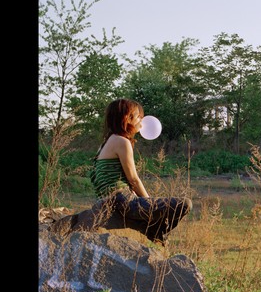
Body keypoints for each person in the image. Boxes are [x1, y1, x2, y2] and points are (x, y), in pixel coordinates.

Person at [51, 98, 191, 244]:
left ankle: (150, 228)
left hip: (108, 201)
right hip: (123, 200)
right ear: (127, 118)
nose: (142, 122)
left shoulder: (106, 142)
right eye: (138, 117)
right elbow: (134, 179)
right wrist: (148, 203)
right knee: (185, 204)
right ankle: (154, 229)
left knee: (144, 220)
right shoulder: (122, 142)